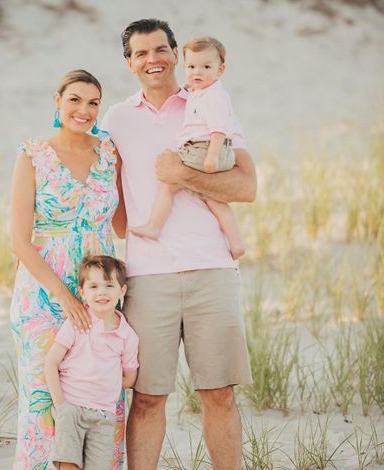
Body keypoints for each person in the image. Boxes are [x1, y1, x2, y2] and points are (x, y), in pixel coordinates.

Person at [101, 19, 256, 470]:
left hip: (213, 269)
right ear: (129, 63)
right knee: (147, 398)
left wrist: (182, 175)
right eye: (141, 53)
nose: (153, 60)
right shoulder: (117, 118)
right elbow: (116, 208)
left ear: (175, 52)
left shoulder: (209, 102)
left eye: (160, 50)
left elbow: (247, 186)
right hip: (148, 278)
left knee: (219, 394)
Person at [9, 69, 127, 469]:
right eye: (75, 99)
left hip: (100, 293)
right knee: (46, 395)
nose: (84, 110)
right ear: (57, 100)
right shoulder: (33, 156)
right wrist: (62, 294)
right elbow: (19, 241)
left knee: (100, 393)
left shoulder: (108, 152)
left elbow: (125, 222)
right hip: (45, 294)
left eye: (93, 102)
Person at [130, 36, 245, 260]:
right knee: (214, 199)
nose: (196, 73)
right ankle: (236, 242)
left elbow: (218, 128)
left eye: (205, 67)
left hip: (205, 149)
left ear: (220, 70)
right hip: (208, 149)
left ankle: (154, 226)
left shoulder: (213, 96)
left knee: (169, 183)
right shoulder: (201, 91)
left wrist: (211, 156)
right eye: (191, 67)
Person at [44, 255, 139, 470]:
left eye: (109, 285)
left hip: (103, 415)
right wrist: (61, 406)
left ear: (122, 291)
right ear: (83, 292)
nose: (101, 292)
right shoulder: (77, 323)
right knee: (68, 465)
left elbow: (129, 378)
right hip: (71, 408)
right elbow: (51, 362)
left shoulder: (128, 336)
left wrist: (104, 379)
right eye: (93, 286)